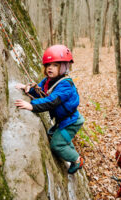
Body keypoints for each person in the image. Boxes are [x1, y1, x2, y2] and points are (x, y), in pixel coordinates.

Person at [14, 44, 84, 174]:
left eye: (55, 65)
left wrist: (32, 106)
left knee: (57, 145)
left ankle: (76, 159)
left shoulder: (65, 85)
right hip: (63, 120)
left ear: (64, 67)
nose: (50, 68)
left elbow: (52, 101)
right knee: (54, 135)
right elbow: (40, 92)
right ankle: (68, 146)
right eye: (48, 65)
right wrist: (26, 87)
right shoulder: (48, 81)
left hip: (71, 122)